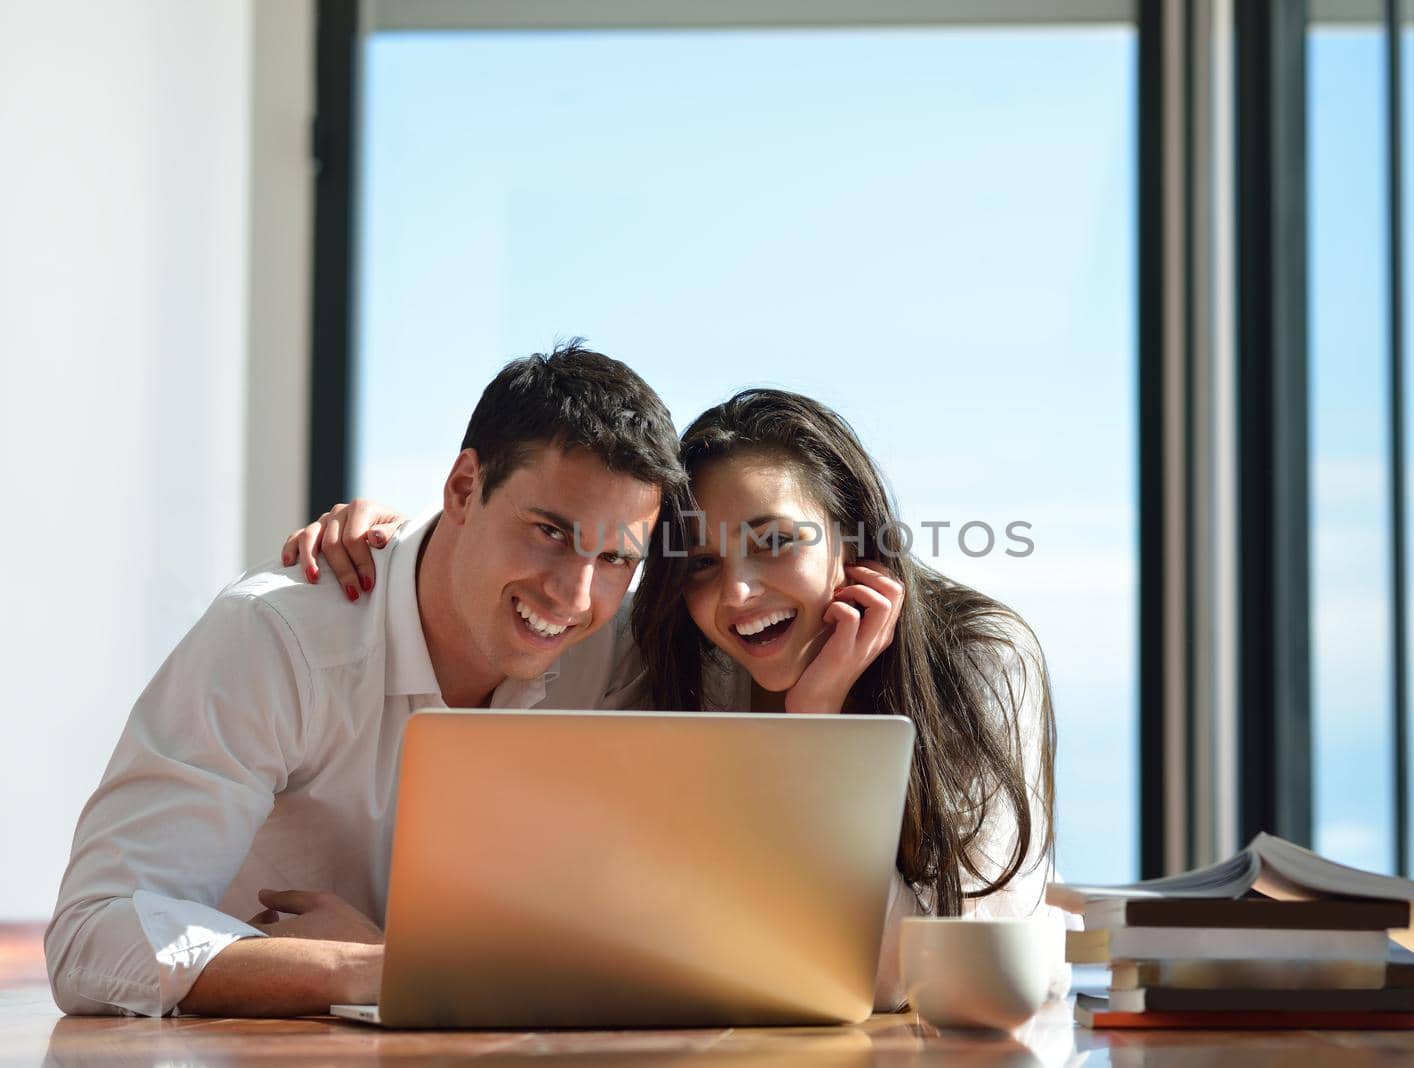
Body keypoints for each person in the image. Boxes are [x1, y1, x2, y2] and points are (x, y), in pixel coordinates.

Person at [291, 389, 1062, 1008]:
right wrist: (388, 541)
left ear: (853, 538)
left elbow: (947, 975)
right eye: (700, 563)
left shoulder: (980, 662)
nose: (738, 593)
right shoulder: (689, 664)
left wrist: (814, 730)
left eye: (775, 541)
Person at [46, 343, 685, 1017]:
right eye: (551, 532)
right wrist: (361, 970)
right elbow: (91, 941)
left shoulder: (617, 658)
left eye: (616, 557)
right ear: (464, 488)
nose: (575, 595)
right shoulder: (277, 637)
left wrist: (397, 961)